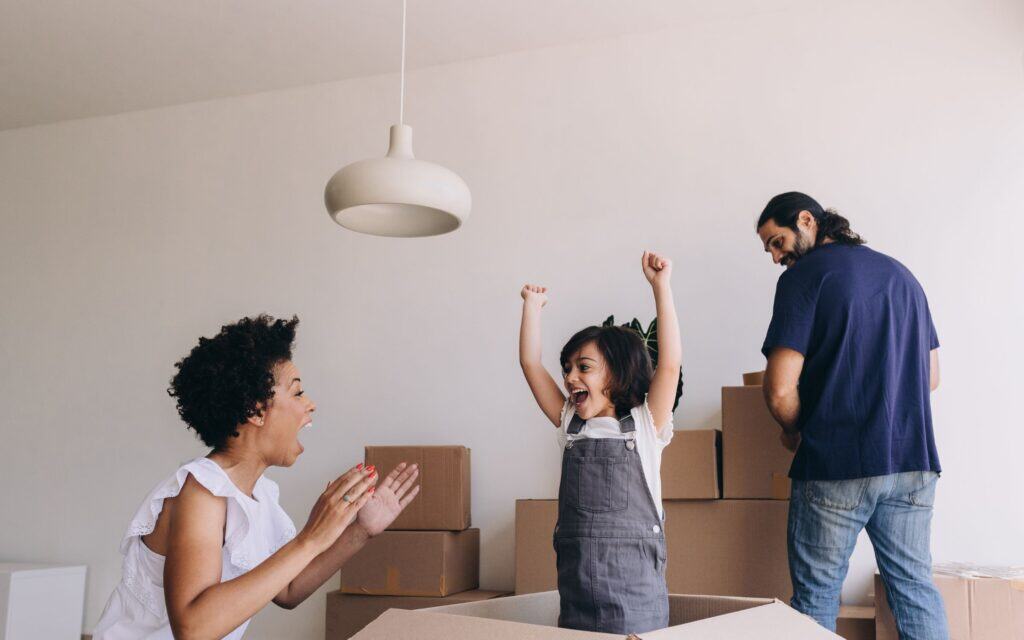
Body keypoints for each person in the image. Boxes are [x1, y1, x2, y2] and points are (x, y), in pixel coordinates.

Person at [93, 315, 420, 640]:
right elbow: (193, 629)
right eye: (297, 393)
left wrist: (360, 530)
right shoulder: (202, 492)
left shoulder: (260, 495)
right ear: (255, 410)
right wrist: (310, 539)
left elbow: (288, 588)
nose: (310, 405)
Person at [756, 192, 948, 638]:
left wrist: (794, 431)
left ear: (807, 220)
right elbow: (931, 376)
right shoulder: (902, 275)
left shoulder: (804, 278)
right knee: (915, 589)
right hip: (912, 462)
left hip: (835, 463)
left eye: (777, 242)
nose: (775, 256)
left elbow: (780, 388)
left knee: (817, 597)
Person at [517, 251, 682, 634]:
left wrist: (661, 286)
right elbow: (529, 364)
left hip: (634, 595)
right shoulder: (569, 424)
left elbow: (670, 363)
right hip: (576, 592)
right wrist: (532, 307)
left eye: (584, 367)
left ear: (620, 371)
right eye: (567, 368)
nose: (571, 376)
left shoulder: (645, 424)